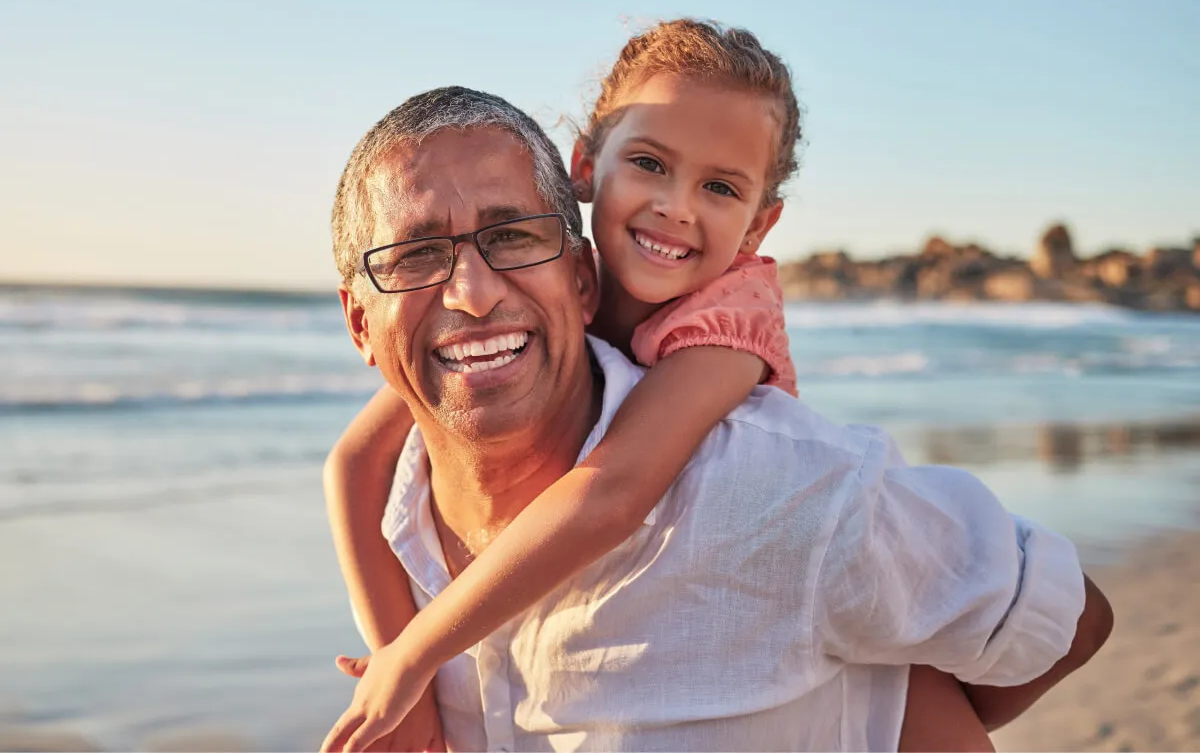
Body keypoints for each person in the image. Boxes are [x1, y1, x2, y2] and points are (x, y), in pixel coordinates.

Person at [319, 76, 1111, 750]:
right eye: (415, 255)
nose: (475, 291)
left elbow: (1067, 620)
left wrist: (908, 720)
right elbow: (351, 462)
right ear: (359, 326)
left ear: (583, 278)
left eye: (513, 236)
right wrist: (401, 655)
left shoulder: (775, 475)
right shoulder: (398, 532)